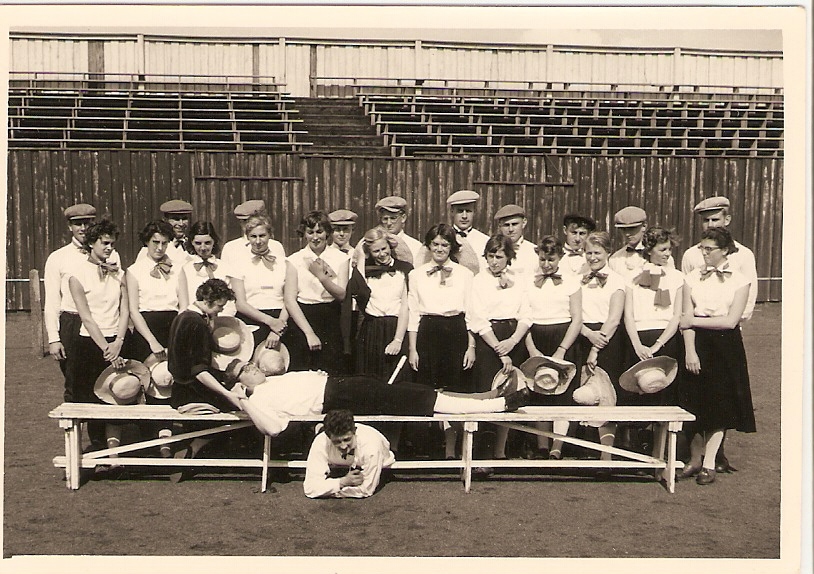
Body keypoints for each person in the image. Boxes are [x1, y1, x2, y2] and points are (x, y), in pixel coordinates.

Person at [209, 350, 531, 441]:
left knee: (415, 393)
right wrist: (243, 401)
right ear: (242, 382)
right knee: (416, 399)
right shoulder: (259, 399)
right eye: (246, 370)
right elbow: (274, 429)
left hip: (342, 385)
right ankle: (499, 403)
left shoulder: (271, 381)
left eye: (250, 364)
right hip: (339, 398)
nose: (253, 368)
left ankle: (490, 398)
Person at [679, 196, 758, 473]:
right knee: (694, 401)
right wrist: (690, 349)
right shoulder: (691, 275)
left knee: (721, 405)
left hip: (725, 344)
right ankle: (694, 459)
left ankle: (711, 463)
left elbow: (730, 320)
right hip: (696, 344)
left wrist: (696, 321)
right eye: (702, 248)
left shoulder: (740, 276)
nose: (704, 254)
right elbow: (684, 318)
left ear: (725, 251)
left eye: (710, 249)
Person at [408, 223, 475, 459]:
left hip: (455, 331)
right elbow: (414, 312)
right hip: (428, 331)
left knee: (454, 392)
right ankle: (426, 447)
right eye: (435, 244)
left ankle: (450, 449)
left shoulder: (465, 275)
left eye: (444, 244)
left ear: (452, 247)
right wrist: (413, 349)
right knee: (427, 390)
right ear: (428, 246)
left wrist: (471, 346)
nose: (439, 248)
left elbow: (470, 313)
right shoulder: (415, 275)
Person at [44, 203, 120, 404]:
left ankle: (101, 435)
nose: (83, 228)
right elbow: (52, 301)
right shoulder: (58, 258)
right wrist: (53, 338)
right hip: (73, 322)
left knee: (107, 380)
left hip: (104, 322)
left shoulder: (110, 253)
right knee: (76, 382)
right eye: (78, 224)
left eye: (87, 223)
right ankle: (75, 432)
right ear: (70, 226)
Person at [66, 219, 130, 451]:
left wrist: (119, 342)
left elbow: (125, 310)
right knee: (93, 399)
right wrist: (107, 349)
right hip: (91, 346)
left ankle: (115, 454)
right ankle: (97, 449)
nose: (109, 248)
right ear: (92, 243)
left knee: (120, 395)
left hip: (119, 341)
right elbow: (87, 317)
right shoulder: (77, 275)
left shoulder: (118, 272)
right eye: (105, 243)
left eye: (112, 244)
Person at [467, 234, 531, 462]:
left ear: (509, 257)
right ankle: (483, 456)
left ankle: (501, 452)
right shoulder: (478, 281)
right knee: (489, 397)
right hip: (489, 342)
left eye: (499, 256)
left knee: (511, 393)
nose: (494, 261)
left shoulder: (519, 280)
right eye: (490, 256)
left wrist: (513, 341)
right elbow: (478, 319)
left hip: (513, 339)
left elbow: (526, 315)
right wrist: (499, 350)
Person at [521, 235, 583, 459]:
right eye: (543, 259)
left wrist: (562, 350)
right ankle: (542, 446)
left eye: (552, 260)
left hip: (563, 339)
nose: (547, 264)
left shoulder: (572, 281)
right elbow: (524, 317)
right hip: (537, 338)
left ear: (560, 257)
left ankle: (558, 447)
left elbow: (577, 319)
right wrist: (532, 350)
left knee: (562, 395)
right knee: (539, 391)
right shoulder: (528, 281)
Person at [576, 231, 627, 466]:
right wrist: (586, 333)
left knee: (607, 395)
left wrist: (597, 346)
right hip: (582, 335)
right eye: (589, 252)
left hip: (608, 341)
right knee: (584, 392)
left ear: (607, 253)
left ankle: (606, 454)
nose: (593, 257)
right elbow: (572, 312)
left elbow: (614, 318)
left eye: (597, 252)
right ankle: (587, 450)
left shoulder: (617, 280)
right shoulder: (578, 277)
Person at [623, 226, 684, 408]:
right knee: (639, 394)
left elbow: (676, 316)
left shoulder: (677, 277)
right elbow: (629, 315)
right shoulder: (632, 278)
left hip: (666, 340)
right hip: (638, 341)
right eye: (662, 249)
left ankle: (663, 437)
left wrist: (658, 345)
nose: (667, 254)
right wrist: (637, 345)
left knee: (664, 395)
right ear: (649, 250)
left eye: (669, 249)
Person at [284, 210, 350, 373]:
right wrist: (309, 333)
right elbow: (290, 300)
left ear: (327, 232)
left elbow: (342, 295)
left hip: (331, 317)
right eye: (310, 232)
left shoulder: (341, 258)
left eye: (319, 231)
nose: (315, 237)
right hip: (303, 318)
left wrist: (322, 277)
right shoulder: (294, 260)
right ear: (304, 234)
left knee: (330, 371)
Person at [681, 196, 758, 321]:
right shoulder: (691, 254)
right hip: (698, 321)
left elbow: (750, 292)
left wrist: (735, 319)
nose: (711, 225)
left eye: (715, 219)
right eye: (706, 220)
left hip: (729, 322)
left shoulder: (743, 254)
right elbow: (685, 294)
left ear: (727, 220)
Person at [355, 228, 413, 381]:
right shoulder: (365, 270)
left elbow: (405, 307)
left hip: (397, 328)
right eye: (375, 251)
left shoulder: (405, 269)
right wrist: (361, 257)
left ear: (390, 246)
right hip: (371, 331)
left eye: (384, 248)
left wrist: (398, 340)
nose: (381, 254)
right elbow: (358, 292)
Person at [227, 214, 289, 350]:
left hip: (281, 320)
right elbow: (241, 304)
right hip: (251, 319)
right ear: (248, 237)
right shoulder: (238, 264)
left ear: (270, 235)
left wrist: (277, 327)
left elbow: (289, 299)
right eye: (253, 236)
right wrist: (270, 322)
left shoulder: (284, 262)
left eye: (262, 235)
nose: (258, 241)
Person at [303, 409, 395, 499]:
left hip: (378, 467)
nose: (343, 446)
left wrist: (328, 490)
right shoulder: (321, 441)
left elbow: (366, 490)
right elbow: (310, 488)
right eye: (337, 442)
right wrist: (342, 482)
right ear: (328, 437)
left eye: (347, 439)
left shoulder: (371, 445)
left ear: (354, 431)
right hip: (341, 469)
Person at [126, 220, 181, 362]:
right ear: (146, 241)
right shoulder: (134, 271)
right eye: (155, 242)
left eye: (164, 243)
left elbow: (184, 306)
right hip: (146, 330)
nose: (160, 248)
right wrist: (152, 341)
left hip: (174, 328)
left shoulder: (178, 269)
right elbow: (133, 310)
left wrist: (177, 338)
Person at [415, 190, 487, 274]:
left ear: (475, 212)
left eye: (468, 211)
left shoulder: (484, 240)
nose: (464, 216)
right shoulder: (439, 237)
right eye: (460, 211)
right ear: (452, 211)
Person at [178, 221, 237, 317]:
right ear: (191, 242)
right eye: (198, 243)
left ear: (214, 242)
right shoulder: (184, 268)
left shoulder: (225, 268)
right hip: (194, 318)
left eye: (207, 243)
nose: (203, 248)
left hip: (221, 319)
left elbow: (230, 302)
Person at [221, 199, 286, 264]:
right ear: (241, 222)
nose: (251, 225)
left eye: (256, 221)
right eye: (245, 221)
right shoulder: (231, 248)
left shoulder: (275, 246)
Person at [137, 199, 194, 267]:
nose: (181, 224)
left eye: (184, 219)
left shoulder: (194, 243)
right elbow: (139, 272)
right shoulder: (152, 247)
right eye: (176, 219)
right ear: (165, 220)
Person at [493, 204, 537, 282]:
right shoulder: (492, 251)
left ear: (524, 223)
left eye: (514, 224)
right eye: (506, 225)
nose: (511, 229)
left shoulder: (534, 252)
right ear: (499, 226)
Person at [559, 213, 595, 278]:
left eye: (582, 234)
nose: (577, 239)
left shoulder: (593, 258)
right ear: (565, 230)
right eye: (574, 233)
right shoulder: (555, 256)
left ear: (589, 234)